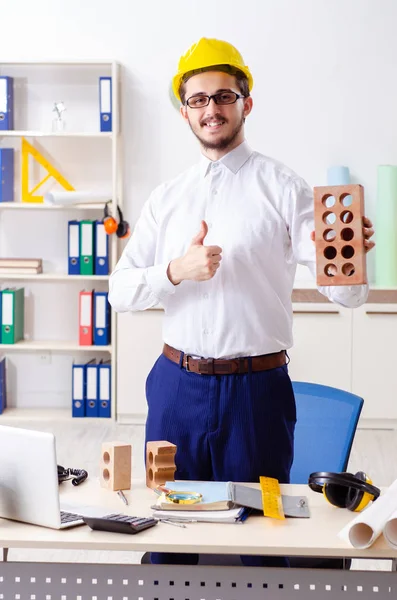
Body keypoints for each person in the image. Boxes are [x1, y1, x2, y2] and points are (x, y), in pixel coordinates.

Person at [108, 37, 375, 566]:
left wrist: (350, 254)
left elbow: (348, 295)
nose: (212, 109)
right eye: (199, 99)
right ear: (184, 113)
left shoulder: (285, 188)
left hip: (257, 394)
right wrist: (174, 272)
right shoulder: (167, 199)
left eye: (224, 96)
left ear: (246, 104)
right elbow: (119, 291)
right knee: (168, 534)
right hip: (175, 388)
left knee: (261, 537)